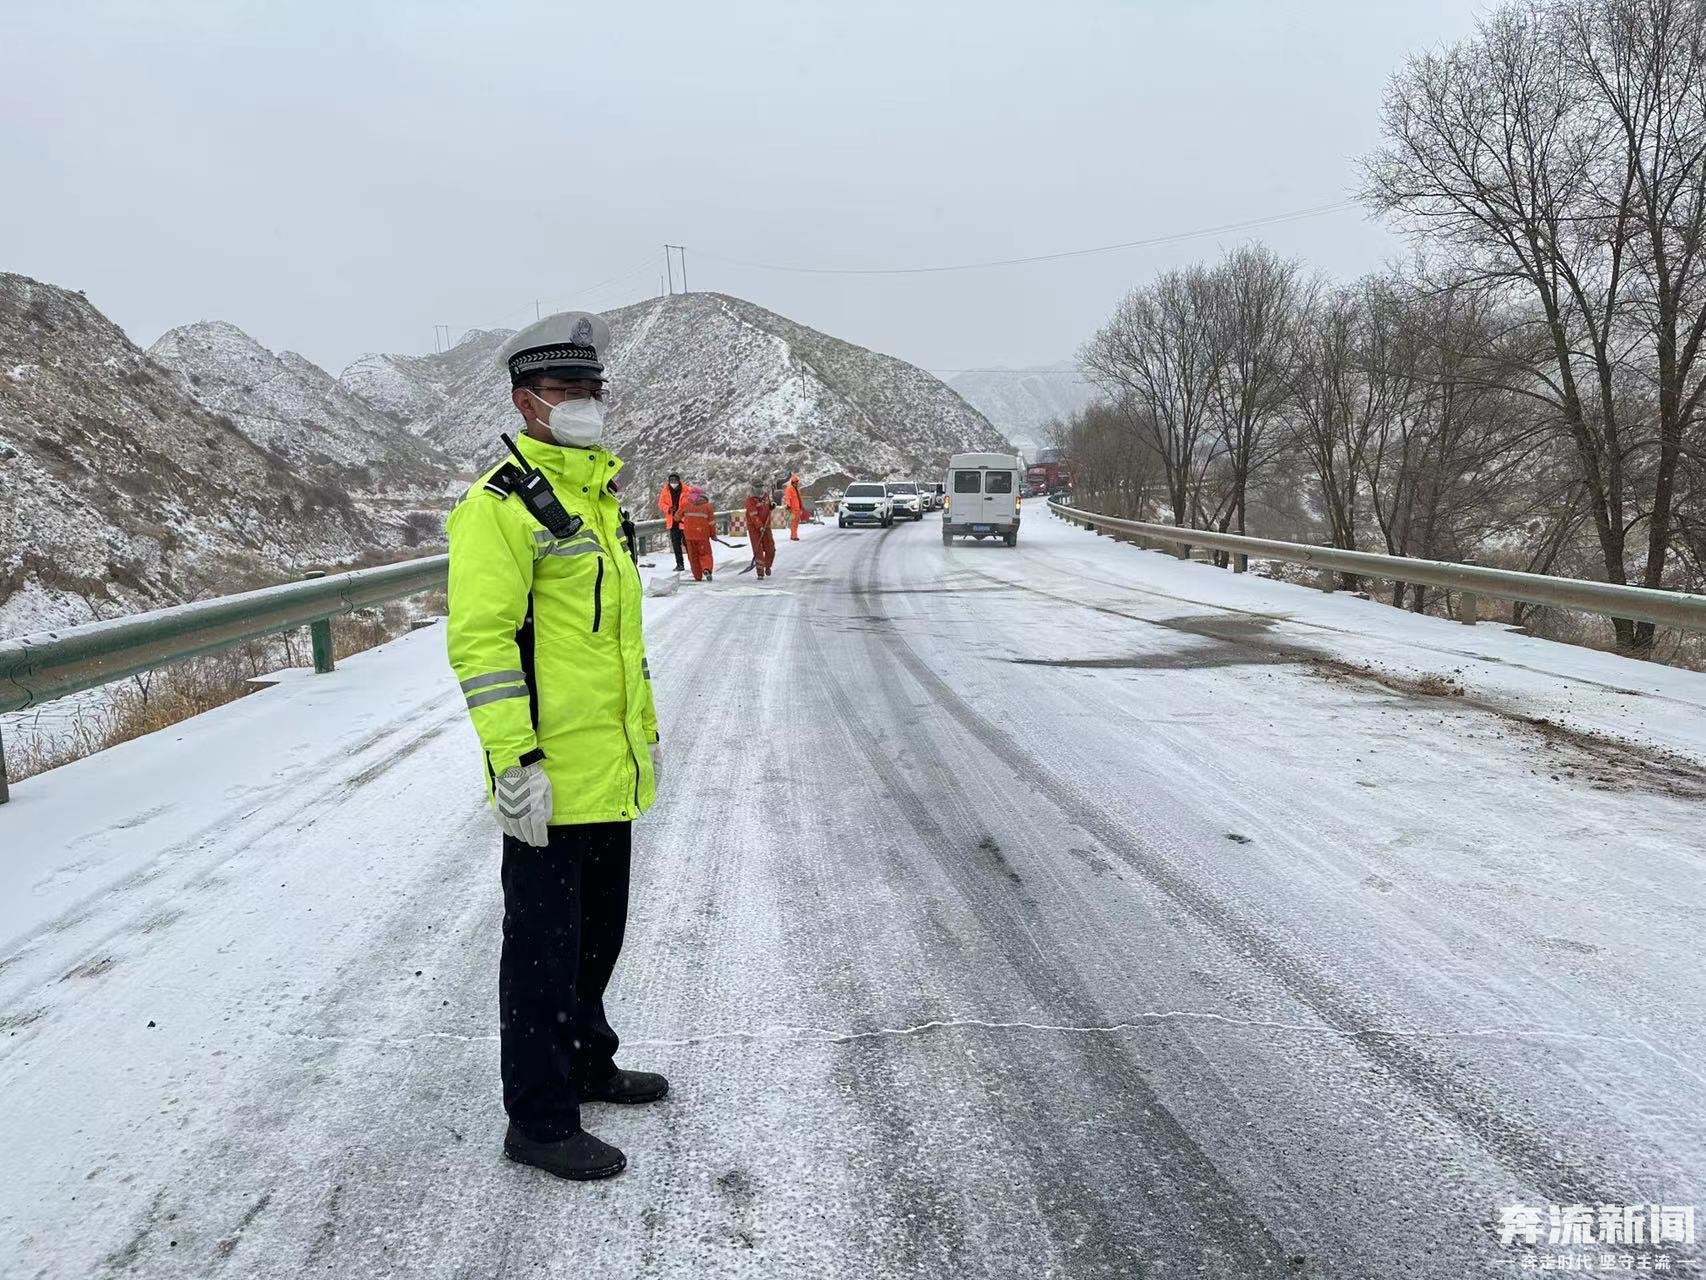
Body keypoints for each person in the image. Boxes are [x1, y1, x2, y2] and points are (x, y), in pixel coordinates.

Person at [444, 310, 667, 1183]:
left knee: (596, 938)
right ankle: (538, 1121)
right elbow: (482, 644)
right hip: (546, 775)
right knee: (539, 956)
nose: (583, 401)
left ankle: (586, 1062)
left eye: (592, 388)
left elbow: (611, 645)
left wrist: (643, 738)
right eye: (565, 388)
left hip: (610, 768)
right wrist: (514, 760)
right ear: (524, 401)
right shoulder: (499, 506)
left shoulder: (595, 499)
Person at [677, 484, 717, 582]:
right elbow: (711, 523)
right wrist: (713, 534)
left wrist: (683, 520)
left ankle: (697, 576)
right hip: (702, 534)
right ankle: (706, 569)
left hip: (689, 535)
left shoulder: (686, 504)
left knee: (693, 556)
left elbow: (677, 517)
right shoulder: (707, 506)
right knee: (705, 553)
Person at [744, 477, 777, 578]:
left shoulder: (765, 496)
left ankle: (767, 566)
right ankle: (760, 572)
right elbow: (753, 515)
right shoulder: (750, 500)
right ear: (753, 487)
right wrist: (759, 526)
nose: (759, 488)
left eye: (760, 486)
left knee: (770, 549)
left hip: (766, 526)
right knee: (758, 550)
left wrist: (771, 505)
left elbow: (768, 505)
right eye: (757, 486)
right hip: (754, 528)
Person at [656, 471, 687, 572]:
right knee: (676, 545)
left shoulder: (686, 490)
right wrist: (668, 509)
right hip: (672, 522)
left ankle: (694, 564)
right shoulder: (665, 491)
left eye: (675, 480)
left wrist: (683, 510)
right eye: (671, 480)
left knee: (688, 544)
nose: (673, 482)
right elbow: (661, 504)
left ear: (679, 481)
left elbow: (690, 503)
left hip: (684, 521)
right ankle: (680, 564)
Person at [784, 473, 805, 541]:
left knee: (796, 523)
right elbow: (787, 498)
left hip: (797, 509)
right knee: (793, 523)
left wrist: (801, 506)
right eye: (796, 482)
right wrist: (788, 506)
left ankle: (794, 535)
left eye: (797, 482)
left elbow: (799, 499)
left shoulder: (796, 489)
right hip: (792, 509)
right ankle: (794, 536)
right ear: (793, 482)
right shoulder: (789, 488)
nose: (797, 483)